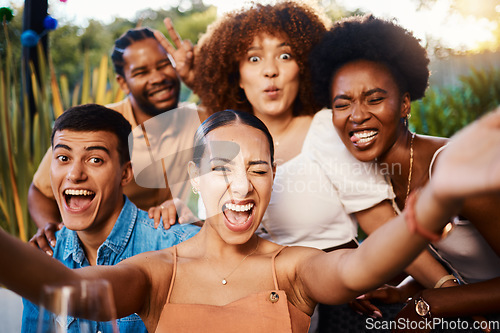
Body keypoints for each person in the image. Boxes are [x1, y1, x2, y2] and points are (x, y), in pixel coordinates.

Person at [1, 108, 500, 333]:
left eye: (257, 169)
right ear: (194, 179)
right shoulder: (157, 270)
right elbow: (67, 292)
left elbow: (357, 270)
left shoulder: (291, 267)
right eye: (220, 170)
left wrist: (435, 204)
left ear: (272, 177)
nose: (242, 187)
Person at [155, 3, 455, 330]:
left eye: (285, 56)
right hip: (262, 298)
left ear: (305, 67)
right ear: (236, 75)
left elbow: (383, 224)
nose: (271, 70)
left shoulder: (325, 129)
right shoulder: (227, 144)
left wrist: (447, 289)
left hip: (337, 300)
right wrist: (184, 213)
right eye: (254, 58)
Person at [309, 15, 500, 329]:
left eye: (375, 99)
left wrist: (432, 304)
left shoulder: (459, 171)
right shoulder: (377, 182)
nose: (356, 116)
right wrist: (400, 289)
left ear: (405, 104)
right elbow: (462, 264)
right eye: (342, 105)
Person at [21, 104, 200, 333]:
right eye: (63, 157)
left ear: (125, 174)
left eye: (95, 160)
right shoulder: (43, 259)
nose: (75, 174)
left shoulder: (179, 248)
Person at [28, 27, 204, 253]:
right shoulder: (99, 128)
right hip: (104, 251)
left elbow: (248, 121)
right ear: (123, 83)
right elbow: (40, 191)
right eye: (141, 72)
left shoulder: (198, 120)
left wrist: (198, 82)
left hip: (165, 245)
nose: (158, 78)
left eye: (164, 65)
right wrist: (55, 237)